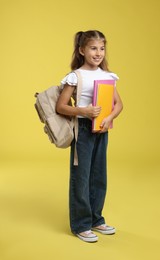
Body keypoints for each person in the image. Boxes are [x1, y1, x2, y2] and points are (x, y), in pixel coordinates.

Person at [56, 30, 123, 243]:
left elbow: (118, 104)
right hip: (83, 130)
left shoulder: (108, 76)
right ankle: (81, 224)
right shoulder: (76, 76)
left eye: (102, 48)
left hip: (102, 129)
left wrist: (108, 118)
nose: (98, 53)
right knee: (81, 177)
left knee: (98, 176)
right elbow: (61, 106)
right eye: (93, 48)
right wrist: (83, 112)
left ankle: (96, 219)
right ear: (82, 50)